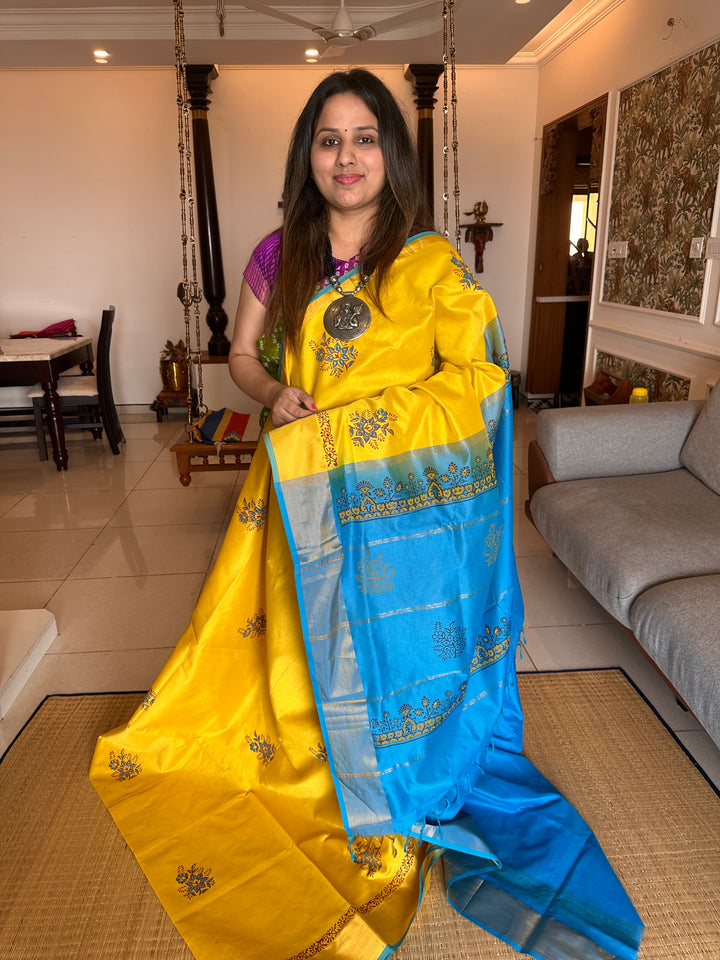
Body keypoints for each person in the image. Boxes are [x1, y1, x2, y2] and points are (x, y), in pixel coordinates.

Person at [90, 70, 643, 960]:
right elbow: (238, 355)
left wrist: (371, 429)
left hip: (406, 510)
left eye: (364, 137)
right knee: (300, 649)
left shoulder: (426, 261)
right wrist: (273, 393)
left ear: (390, 152)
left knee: (396, 645)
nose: (346, 157)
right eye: (328, 139)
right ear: (307, 154)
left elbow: (480, 381)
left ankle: (402, 770)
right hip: (304, 490)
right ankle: (324, 761)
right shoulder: (280, 256)